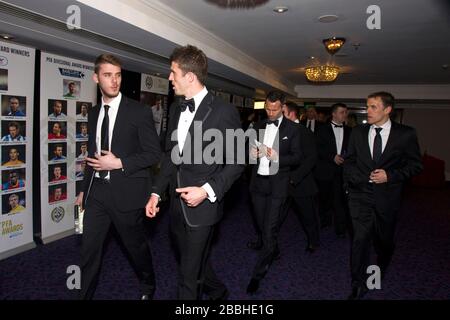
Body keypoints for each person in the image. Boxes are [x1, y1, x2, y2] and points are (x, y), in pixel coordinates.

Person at [145, 45, 243, 300]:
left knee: (187, 277)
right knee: (190, 261)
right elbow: (170, 156)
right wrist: (156, 192)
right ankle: (218, 290)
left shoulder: (224, 112)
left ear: (190, 76)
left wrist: (207, 190)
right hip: (176, 206)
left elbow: (237, 161)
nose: (169, 78)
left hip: (203, 207)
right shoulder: (177, 108)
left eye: (172, 72)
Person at [75, 53, 161, 300]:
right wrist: (83, 189)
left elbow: (154, 154)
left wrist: (119, 163)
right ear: (96, 78)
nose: (114, 81)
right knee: (89, 251)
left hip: (127, 194)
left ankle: (148, 284)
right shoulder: (93, 114)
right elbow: (92, 157)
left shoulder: (139, 112)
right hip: (97, 194)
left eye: (118, 75)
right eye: (107, 75)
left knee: (135, 249)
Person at [344, 92, 422, 299]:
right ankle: (358, 283)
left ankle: (380, 266)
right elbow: (349, 161)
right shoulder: (358, 132)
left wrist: (391, 175)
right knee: (360, 240)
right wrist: (358, 178)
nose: (368, 111)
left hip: (387, 198)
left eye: (373, 107)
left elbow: (415, 165)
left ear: (387, 110)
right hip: (360, 196)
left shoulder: (405, 134)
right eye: (367, 106)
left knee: (383, 242)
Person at [246, 91, 301, 295]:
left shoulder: (293, 129)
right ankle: (273, 249)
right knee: (263, 228)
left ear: (283, 107)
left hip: (278, 185)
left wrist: (277, 156)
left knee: (269, 230)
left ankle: (257, 275)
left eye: (275, 109)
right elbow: (250, 152)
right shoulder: (259, 125)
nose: (270, 112)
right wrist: (251, 153)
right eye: (268, 109)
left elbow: (297, 157)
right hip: (258, 184)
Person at [278, 101, 320, 253]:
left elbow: (311, 158)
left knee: (308, 215)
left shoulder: (303, 131)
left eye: (282, 112)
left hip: (300, 182)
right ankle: (268, 242)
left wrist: (294, 177)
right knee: (275, 215)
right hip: (281, 181)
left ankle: (313, 241)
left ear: (291, 113)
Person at [315, 103, 352, 237]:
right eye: (342, 112)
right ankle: (325, 221)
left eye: (346, 112)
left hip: (343, 172)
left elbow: (352, 150)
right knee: (324, 199)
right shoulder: (321, 129)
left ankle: (341, 228)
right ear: (334, 114)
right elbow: (317, 149)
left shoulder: (350, 130)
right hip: (325, 170)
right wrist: (332, 157)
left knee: (341, 200)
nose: (345, 114)